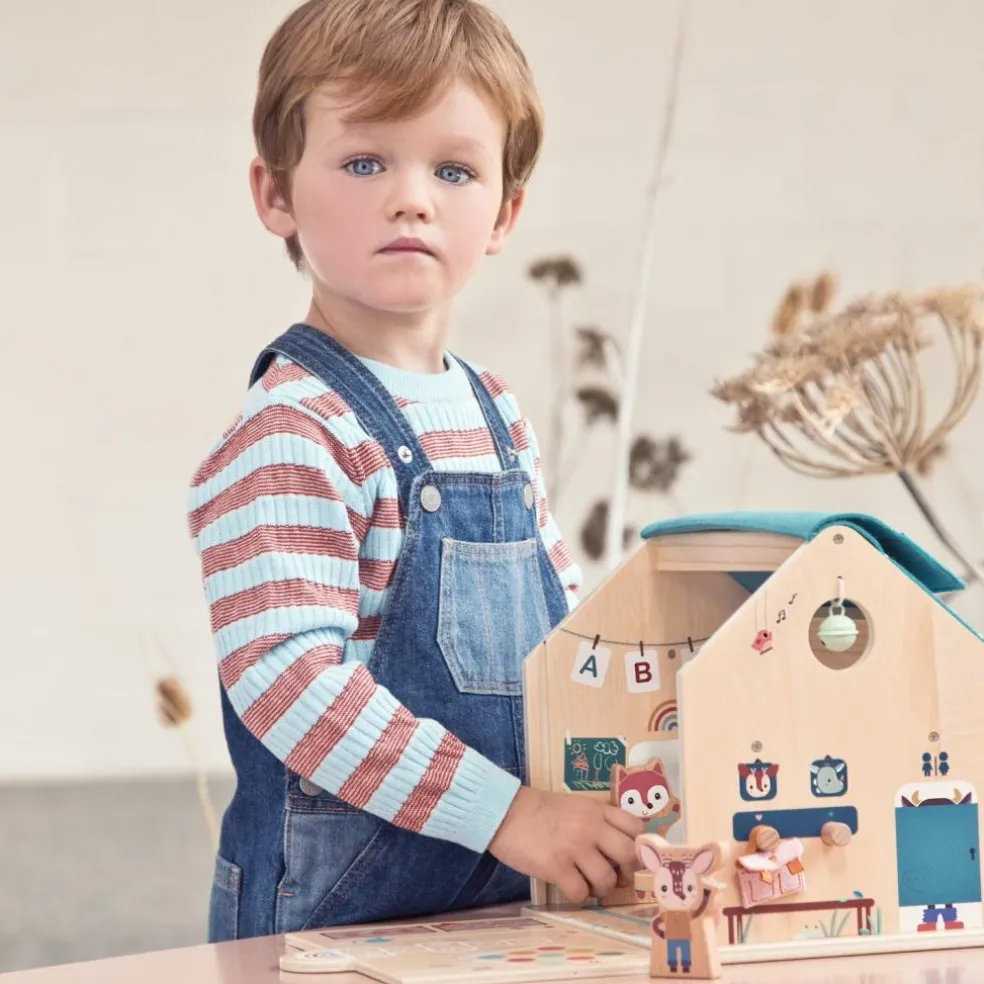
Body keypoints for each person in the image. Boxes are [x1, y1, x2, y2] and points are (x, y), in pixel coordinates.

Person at [187, 0, 644, 943]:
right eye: (365, 162)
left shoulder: (497, 414)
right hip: (335, 926)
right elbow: (288, 681)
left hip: (505, 909)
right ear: (275, 194)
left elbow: (565, 644)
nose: (413, 196)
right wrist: (515, 817)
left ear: (505, 212)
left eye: (454, 168)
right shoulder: (294, 431)